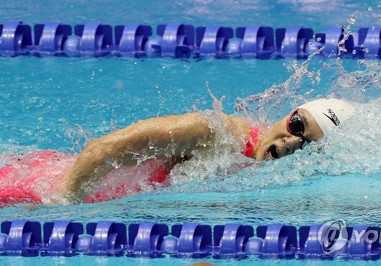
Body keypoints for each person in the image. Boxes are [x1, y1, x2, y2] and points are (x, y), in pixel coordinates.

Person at [0, 98, 354, 205]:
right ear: (287, 113)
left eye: (308, 144)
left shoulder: (258, 164)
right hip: (34, 187)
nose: (293, 143)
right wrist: (65, 203)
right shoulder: (214, 133)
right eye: (297, 126)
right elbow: (103, 149)